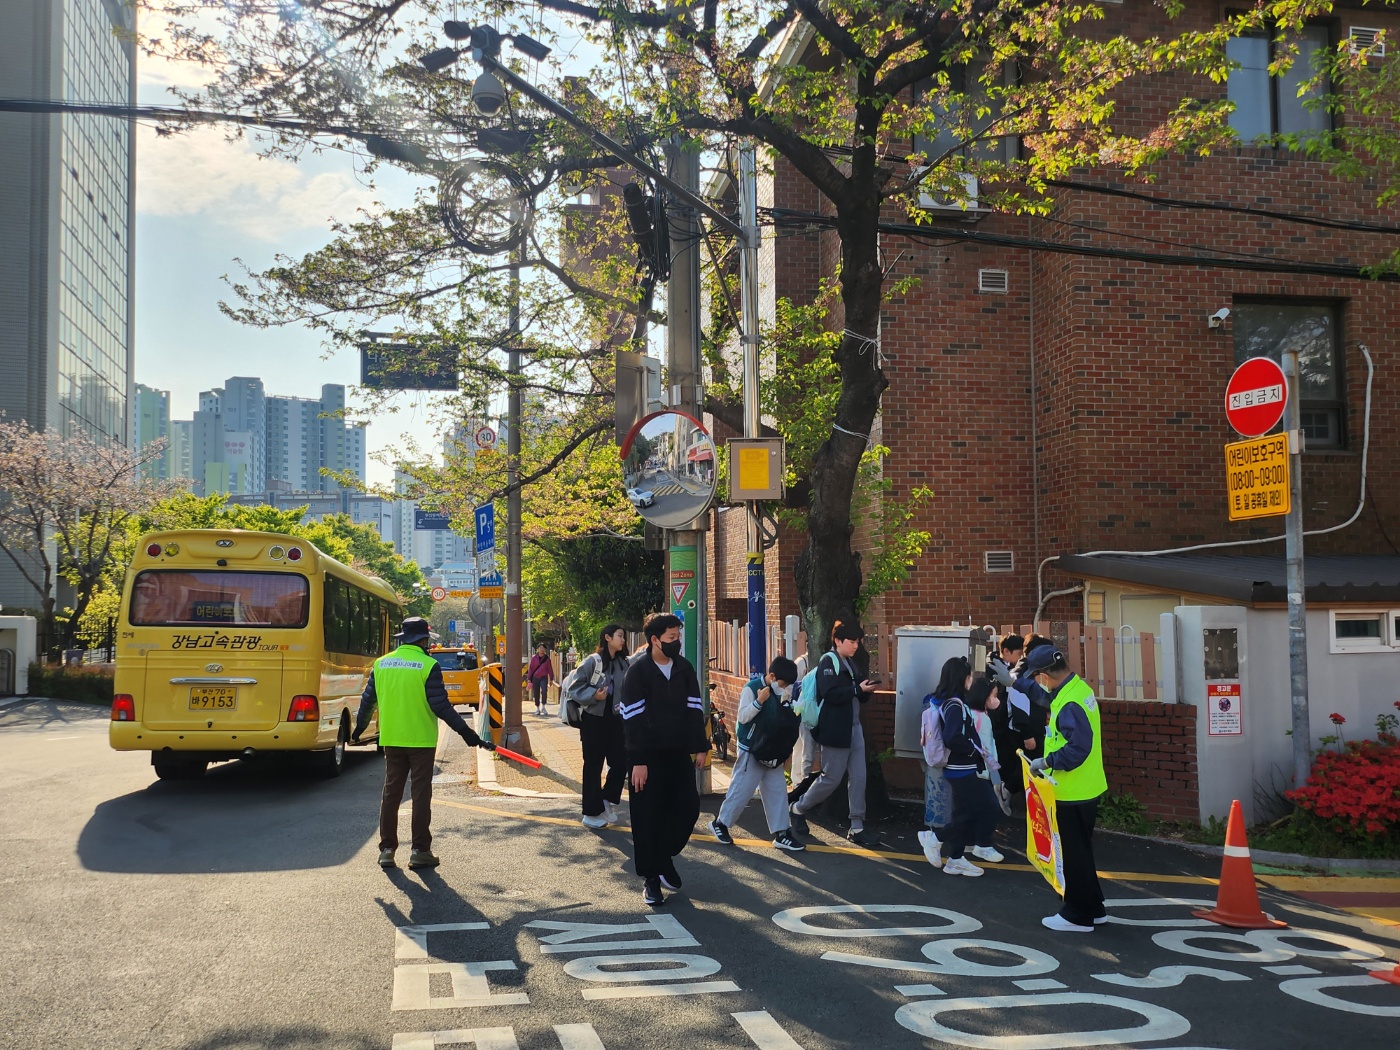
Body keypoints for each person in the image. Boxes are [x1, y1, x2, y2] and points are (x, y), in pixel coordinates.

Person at [353, 616, 496, 870]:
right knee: (420, 794)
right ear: (423, 640)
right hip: (421, 741)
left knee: (391, 793)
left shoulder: (381, 664)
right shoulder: (428, 665)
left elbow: (367, 701)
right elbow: (441, 706)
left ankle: (387, 850)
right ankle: (420, 851)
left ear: (403, 639)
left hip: (392, 739)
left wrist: (358, 730)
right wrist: (467, 734)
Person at [621, 613, 708, 907]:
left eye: (678, 637)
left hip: (678, 754)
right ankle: (652, 880)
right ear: (655, 640)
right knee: (648, 817)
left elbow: (694, 709)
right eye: (672, 638)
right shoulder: (638, 672)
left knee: (688, 809)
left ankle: (662, 858)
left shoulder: (684, 668)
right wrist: (638, 760)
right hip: (647, 758)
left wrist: (700, 747)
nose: (677, 642)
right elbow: (632, 719)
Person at [1024, 644, 1108, 932]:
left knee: (1072, 855)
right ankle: (1093, 907)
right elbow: (1045, 699)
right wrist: (1016, 683)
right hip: (1085, 788)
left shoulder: (1069, 703)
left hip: (1071, 792)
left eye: (1038, 676)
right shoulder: (1076, 689)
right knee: (1081, 852)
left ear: (1046, 675)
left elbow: (1077, 748)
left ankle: (1078, 914)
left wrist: (1047, 761)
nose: (1039, 682)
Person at [788, 621, 879, 847]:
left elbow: (855, 693)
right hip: (836, 730)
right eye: (852, 641)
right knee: (831, 778)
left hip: (854, 728)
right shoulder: (828, 661)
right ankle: (798, 808)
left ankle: (857, 826)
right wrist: (857, 689)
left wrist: (864, 690)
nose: (856, 645)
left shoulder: (850, 663)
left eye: (858, 641)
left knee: (859, 777)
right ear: (838, 641)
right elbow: (830, 693)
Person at [708, 656, 805, 853]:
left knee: (777, 791)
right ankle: (721, 823)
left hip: (772, 750)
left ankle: (782, 832)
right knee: (741, 789)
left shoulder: (781, 692)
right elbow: (743, 717)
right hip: (751, 749)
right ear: (772, 676)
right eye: (782, 684)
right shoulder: (751, 689)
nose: (784, 688)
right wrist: (759, 701)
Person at [921, 656, 1004, 877]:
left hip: (961, 768)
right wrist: (972, 750)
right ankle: (935, 838)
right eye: (969, 676)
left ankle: (955, 859)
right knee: (980, 808)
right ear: (962, 678)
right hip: (961, 768)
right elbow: (952, 737)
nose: (971, 680)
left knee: (965, 812)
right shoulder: (954, 705)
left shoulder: (951, 702)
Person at [574, 624, 631, 830]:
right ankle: (590, 813)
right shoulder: (593, 661)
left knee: (621, 763)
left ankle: (606, 799)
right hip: (593, 720)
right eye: (620, 636)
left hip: (616, 720)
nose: (623, 640)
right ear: (607, 637)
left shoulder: (624, 663)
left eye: (623, 636)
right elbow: (574, 687)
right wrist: (593, 696)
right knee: (593, 766)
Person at [528, 643, 555, 716]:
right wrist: (529, 678)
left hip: (544, 677)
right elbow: (531, 669)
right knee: (536, 692)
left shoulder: (547, 659)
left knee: (544, 690)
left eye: (543, 648)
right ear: (538, 649)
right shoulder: (534, 658)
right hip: (535, 677)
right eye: (540, 648)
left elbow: (550, 668)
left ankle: (543, 706)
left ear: (545, 649)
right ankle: (537, 708)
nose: (541, 649)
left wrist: (551, 678)